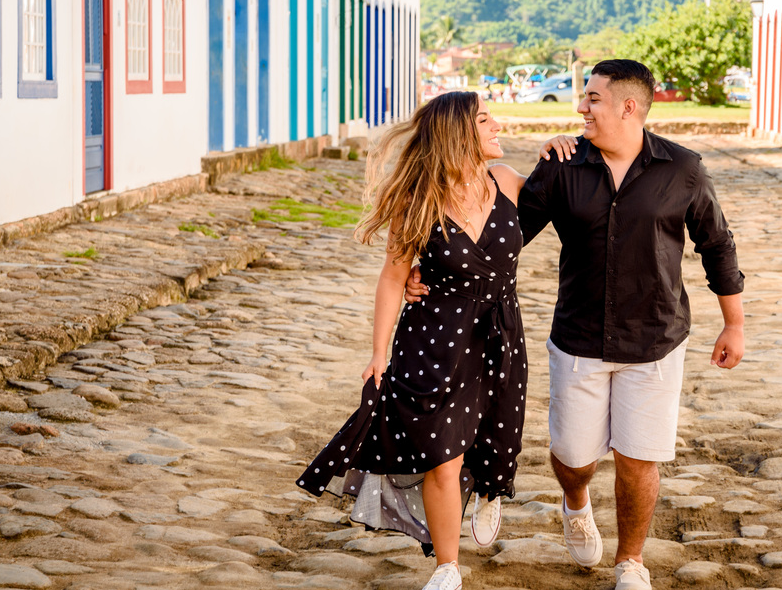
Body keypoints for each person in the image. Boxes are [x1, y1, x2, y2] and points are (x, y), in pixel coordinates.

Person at [406, 59, 745, 590]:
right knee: (573, 456)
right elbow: (498, 232)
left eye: (592, 99)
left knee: (639, 460)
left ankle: (630, 563)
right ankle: (575, 499)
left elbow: (718, 246)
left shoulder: (682, 169)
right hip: (578, 340)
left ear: (628, 107)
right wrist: (425, 268)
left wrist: (734, 324)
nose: (580, 107)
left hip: (655, 340)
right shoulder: (561, 167)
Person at [297, 91, 533, 590]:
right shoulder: (417, 200)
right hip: (434, 340)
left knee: (494, 437)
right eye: (485, 120)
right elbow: (391, 276)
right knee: (440, 454)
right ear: (457, 134)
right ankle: (448, 568)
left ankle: (491, 491)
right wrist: (378, 353)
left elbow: (571, 207)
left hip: (499, 336)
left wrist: (563, 147)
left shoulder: (510, 183)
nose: (497, 127)